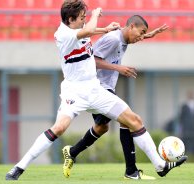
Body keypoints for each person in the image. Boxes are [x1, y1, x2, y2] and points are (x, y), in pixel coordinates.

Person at [5, 0, 187, 180]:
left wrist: (106, 28)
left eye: (85, 18)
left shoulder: (76, 30)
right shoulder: (63, 35)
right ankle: (19, 167)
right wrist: (94, 15)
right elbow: (90, 30)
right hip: (75, 92)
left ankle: (160, 166)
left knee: (133, 120)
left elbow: (94, 32)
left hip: (95, 89)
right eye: (82, 18)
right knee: (59, 128)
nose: (85, 20)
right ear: (70, 19)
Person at [62, 15, 169, 180]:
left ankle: (72, 152)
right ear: (131, 26)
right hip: (96, 88)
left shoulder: (124, 38)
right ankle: (135, 170)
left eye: (143, 35)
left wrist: (149, 35)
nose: (140, 37)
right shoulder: (113, 39)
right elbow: (92, 61)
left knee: (102, 128)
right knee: (129, 120)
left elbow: (132, 36)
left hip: (104, 87)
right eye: (140, 32)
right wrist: (118, 68)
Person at [179, 91, 194, 155]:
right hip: (186, 128)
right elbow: (181, 117)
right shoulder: (184, 106)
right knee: (186, 142)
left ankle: (193, 155)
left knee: (193, 142)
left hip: (193, 128)